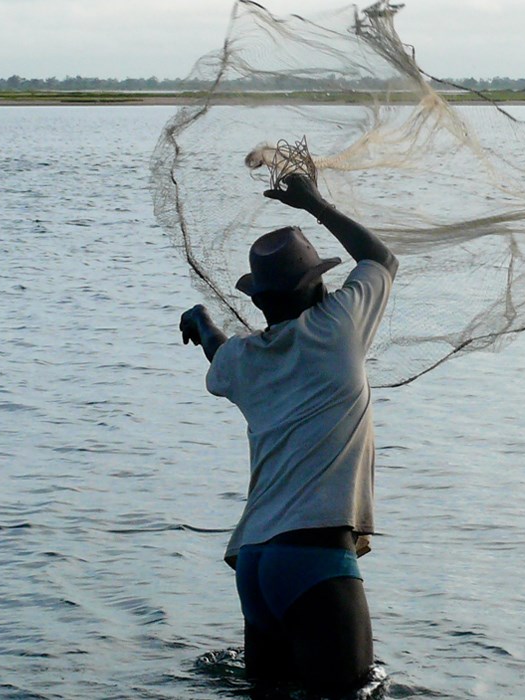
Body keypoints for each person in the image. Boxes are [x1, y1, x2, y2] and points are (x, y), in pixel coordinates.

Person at [179, 172, 397, 694]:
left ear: (259, 302)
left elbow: (217, 347)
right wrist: (314, 204)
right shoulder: (338, 326)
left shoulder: (242, 360)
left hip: (255, 562)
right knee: (353, 692)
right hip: (315, 556)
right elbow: (381, 259)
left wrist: (202, 318)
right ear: (320, 286)